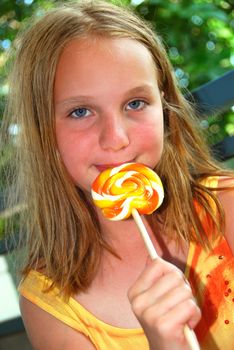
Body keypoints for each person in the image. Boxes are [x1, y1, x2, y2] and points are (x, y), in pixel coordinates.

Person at [2, 1, 234, 349]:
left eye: (135, 103)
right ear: (43, 134)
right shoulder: (50, 305)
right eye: (81, 111)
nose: (116, 138)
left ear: (165, 108)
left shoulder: (226, 208)